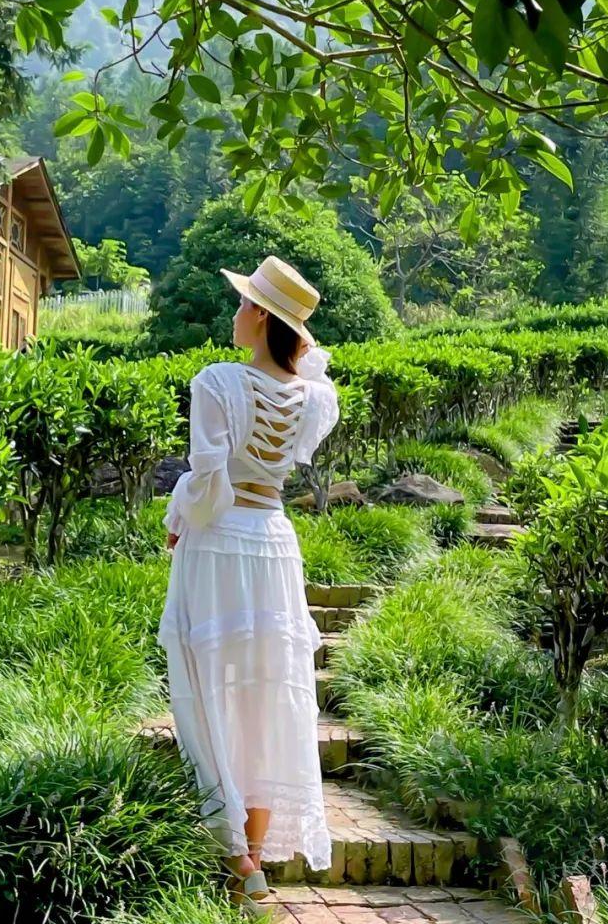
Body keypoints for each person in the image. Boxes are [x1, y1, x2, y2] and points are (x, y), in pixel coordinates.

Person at [158, 255, 341, 917]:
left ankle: (236, 851)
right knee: (266, 696)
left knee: (209, 685)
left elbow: (208, 481)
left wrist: (178, 516)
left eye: (243, 303)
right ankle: (252, 865)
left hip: (220, 541)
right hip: (273, 541)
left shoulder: (217, 382)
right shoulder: (316, 396)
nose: (235, 312)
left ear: (261, 315)